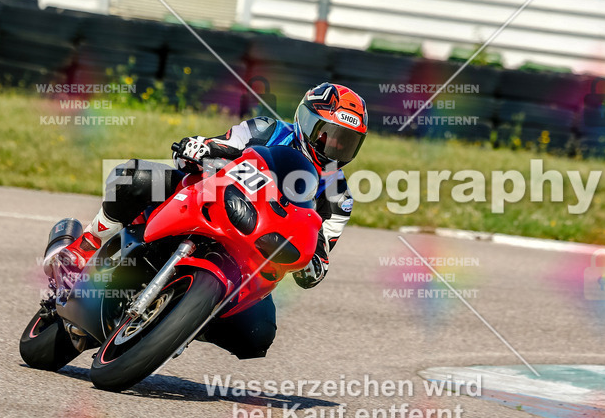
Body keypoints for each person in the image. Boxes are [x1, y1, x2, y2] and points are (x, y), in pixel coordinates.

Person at [43, 82, 368, 359]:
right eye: (328, 136)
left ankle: (185, 318)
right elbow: (220, 144)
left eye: (346, 142)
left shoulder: (338, 198)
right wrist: (198, 148)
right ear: (306, 121)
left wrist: (313, 264)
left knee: (259, 334)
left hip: (251, 257)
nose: (335, 148)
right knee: (134, 177)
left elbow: (321, 253)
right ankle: (83, 248)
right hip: (210, 200)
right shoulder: (267, 129)